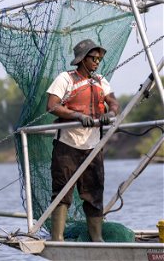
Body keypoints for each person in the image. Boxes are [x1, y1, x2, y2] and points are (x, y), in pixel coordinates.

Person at [46, 39, 120, 242]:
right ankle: (58, 239)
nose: (97, 62)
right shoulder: (66, 78)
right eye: (93, 58)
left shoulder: (100, 81)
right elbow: (52, 105)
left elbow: (113, 102)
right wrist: (77, 116)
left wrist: (111, 113)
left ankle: (97, 240)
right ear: (81, 59)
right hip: (67, 145)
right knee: (62, 192)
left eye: (99, 59)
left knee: (94, 193)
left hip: (93, 147)